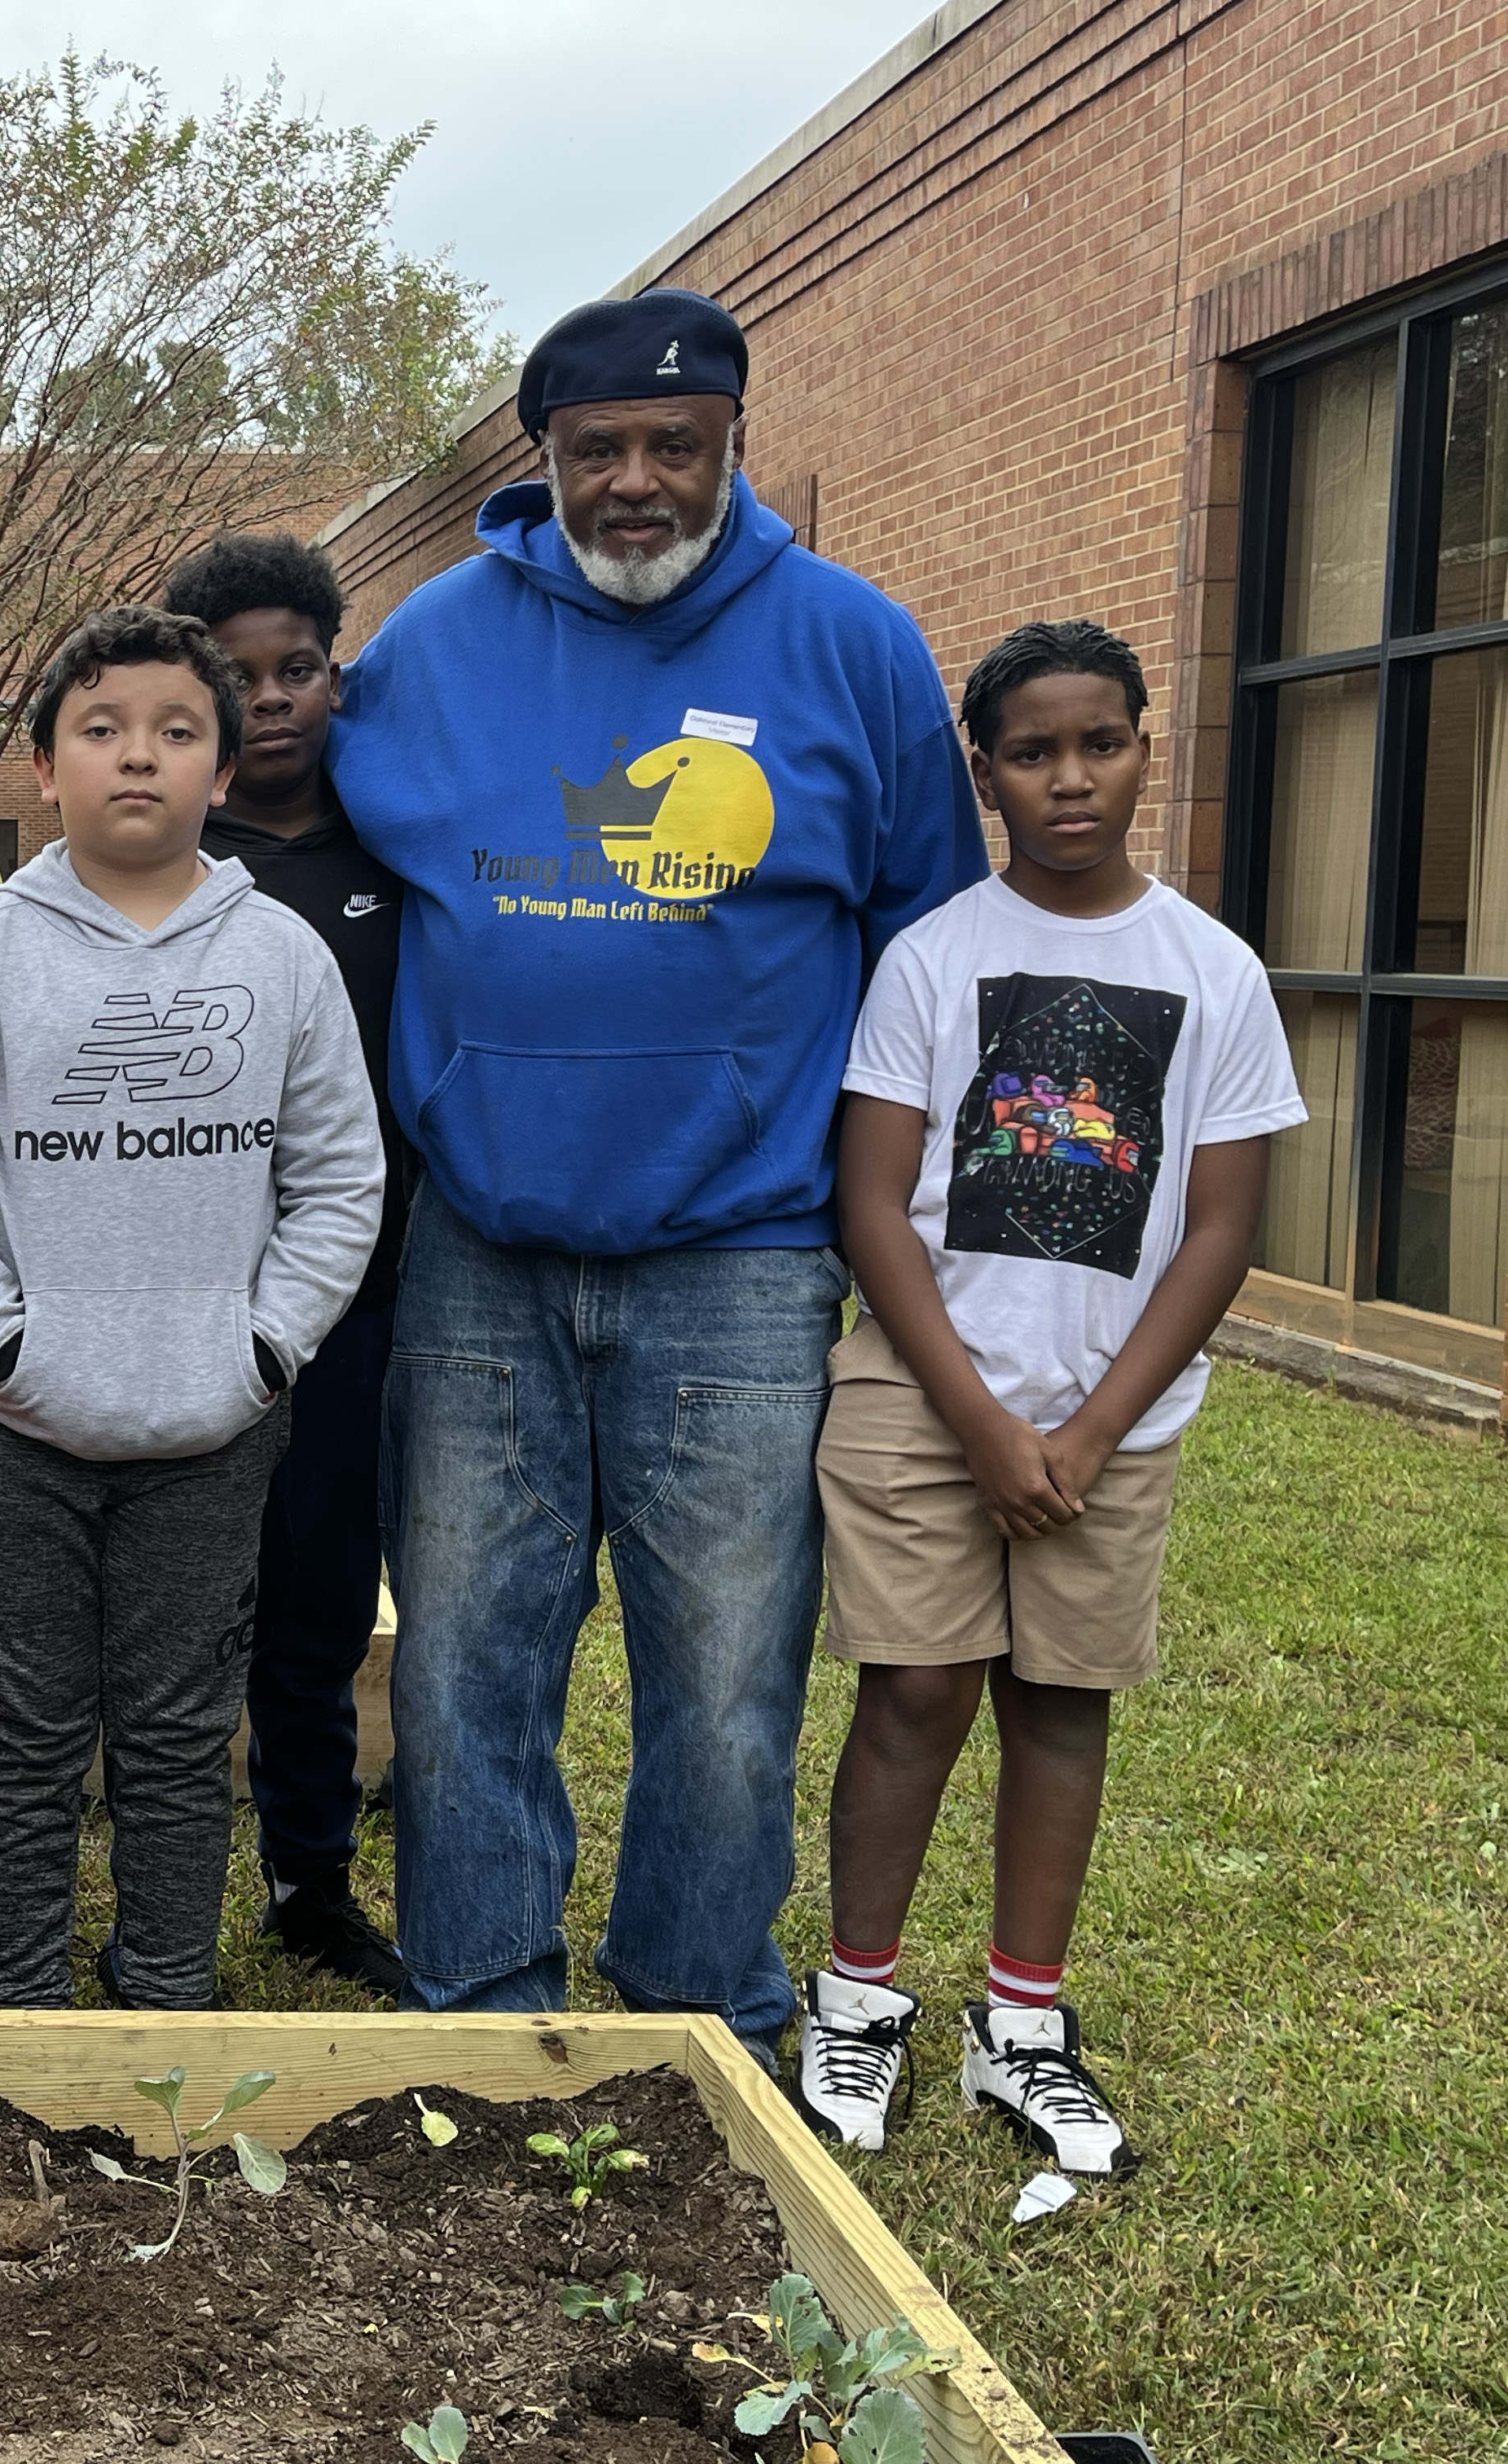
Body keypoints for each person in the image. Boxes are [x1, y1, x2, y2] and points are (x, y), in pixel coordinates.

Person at [330, 287, 985, 2068]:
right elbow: (300, 842)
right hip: (483, 1241)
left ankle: (701, 2013)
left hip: (745, 1252)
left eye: (671, 449)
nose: (634, 483)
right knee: (466, 1661)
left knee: (724, 1680)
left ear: (733, 446)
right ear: (544, 460)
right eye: (595, 450)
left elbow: (930, 968)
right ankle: (477, 2006)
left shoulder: (855, 649)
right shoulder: (435, 646)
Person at [797, 621, 1299, 2171]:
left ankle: (1020, 2027)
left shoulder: (1212, 972)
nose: (1069, 778)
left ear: (1147, 745)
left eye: (1100, 743)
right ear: (986, 771)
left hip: (1113, 1414)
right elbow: (872, 1203)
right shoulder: (933, 955)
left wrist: (1082, 1430)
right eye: (1031, 751)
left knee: (1058, 1701)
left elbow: (1218, 1226)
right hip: (924, 1388)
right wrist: (982, 1421)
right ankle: (856, 2001)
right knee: (917, 1686)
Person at [0, 607, 382, 2009]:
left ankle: (165, 1991)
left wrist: (262, 1344)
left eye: (176, 731)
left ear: (222, 770)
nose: (137, 758)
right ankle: (25, 2003)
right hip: (13, 1430)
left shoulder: (278, 956)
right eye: (100, 730)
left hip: (209, 1425)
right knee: (24, 1732)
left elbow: (339, 1175)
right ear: (40, 764)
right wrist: (1, 1347)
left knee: (174, 1731)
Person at [160, 533, 415, 1999]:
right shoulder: (162, 868)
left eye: (296, 668)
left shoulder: (391, 853)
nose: (269, 699)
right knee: (185, 1607)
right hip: (180, 1297)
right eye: (236, 673)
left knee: (322, 1595)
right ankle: (172, 1868)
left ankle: (308, 1873)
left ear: (337, 672)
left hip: (356, 1293)